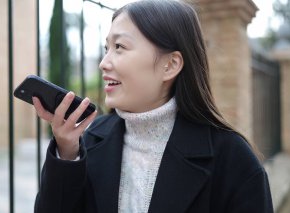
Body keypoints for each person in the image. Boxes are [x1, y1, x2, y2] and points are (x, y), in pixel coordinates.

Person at [33, 0, 274, 212]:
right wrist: (66, 154)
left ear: (170, 65)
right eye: (107, 48)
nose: (104, 63)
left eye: (119, 47)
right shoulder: (89, 141)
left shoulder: (234, 160)